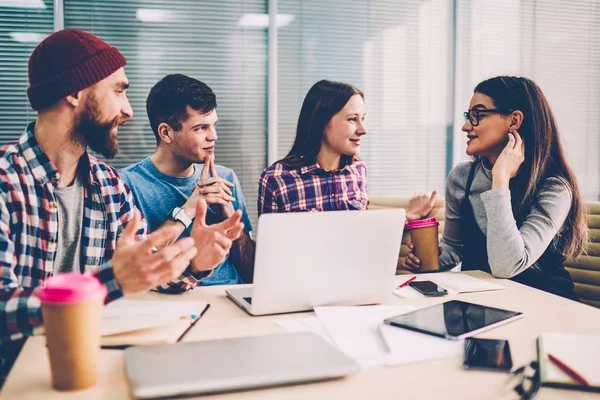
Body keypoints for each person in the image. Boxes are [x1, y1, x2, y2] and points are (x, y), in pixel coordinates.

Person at [0, 29, 243, 379]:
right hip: (17, 377)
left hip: (95, 365)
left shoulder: (109, 186)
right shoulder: (7, 184)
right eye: (118, 91)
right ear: (74, 92)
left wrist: (195, 263)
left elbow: (145, 276)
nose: (127, 110)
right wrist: (106, 283)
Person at [401, 76, 588, 300]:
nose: (466, 126)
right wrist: (429, 259)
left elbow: (507, 266)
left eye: (477, 115)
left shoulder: (555, 187)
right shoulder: (462, 177)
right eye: (468, 116)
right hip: (482, 303)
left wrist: (500, 179)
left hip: (544, 303)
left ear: (514, 120)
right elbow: (453, 246)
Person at [120, 74, 255, 284]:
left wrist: (228, 215)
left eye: (213, 125)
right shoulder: (126, 184)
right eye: (201, 128)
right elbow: (135, 269)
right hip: (168, 302)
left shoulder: (225, 178)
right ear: (166, 133)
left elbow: (251, 272)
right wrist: (190, 207)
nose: (214, 136)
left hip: (230, 299)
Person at [258, 79, 436, 220]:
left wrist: (410, 217)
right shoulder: (276, 178)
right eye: (352, 119)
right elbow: (270, 251)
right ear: (321, 123)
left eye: (363, 119)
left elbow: (364, 234)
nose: (363, 130)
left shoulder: (358, 171)